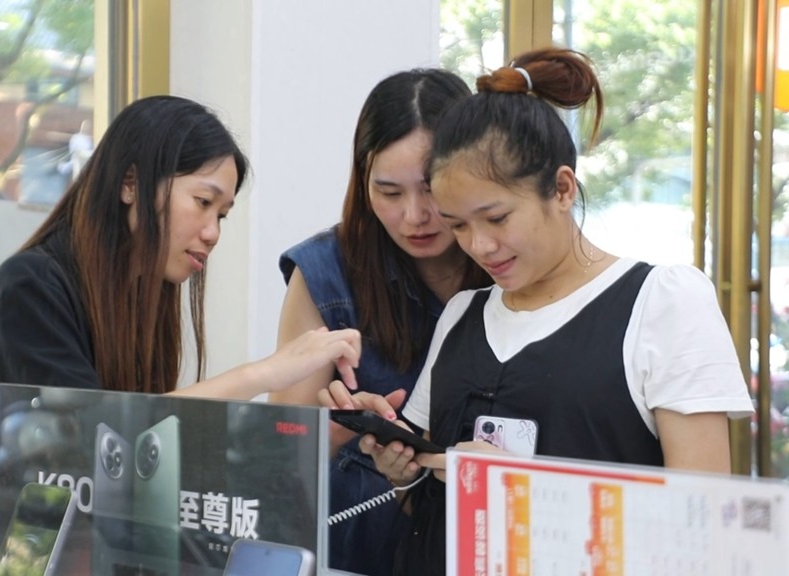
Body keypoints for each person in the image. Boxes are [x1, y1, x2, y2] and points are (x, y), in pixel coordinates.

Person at [322, 48, 754, 576]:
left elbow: (704, 524)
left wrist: (529, 495)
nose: (479, 245)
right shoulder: (462, 315)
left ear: (563, 189)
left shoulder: (663, 301)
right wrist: (403, 471)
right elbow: (429, 512)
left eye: (497, 217)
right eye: (458, 225)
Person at [0, 95, 362, 575]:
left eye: (222, 214)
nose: (213, 232)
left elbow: (136, 473)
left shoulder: (138, 301)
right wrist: (265, 373)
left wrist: (322, 437)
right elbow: (95, 448)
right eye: (203, 203)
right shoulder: (30, 288)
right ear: (131, 184)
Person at [271, 69, 491, 576]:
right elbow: (280, 452)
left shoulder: (509, 263)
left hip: (482, 541)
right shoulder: (326, 271)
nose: (414, 216)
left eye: (431, 189)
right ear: (362, 182)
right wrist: (334, 429)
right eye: (389, 192)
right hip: (355, 544)